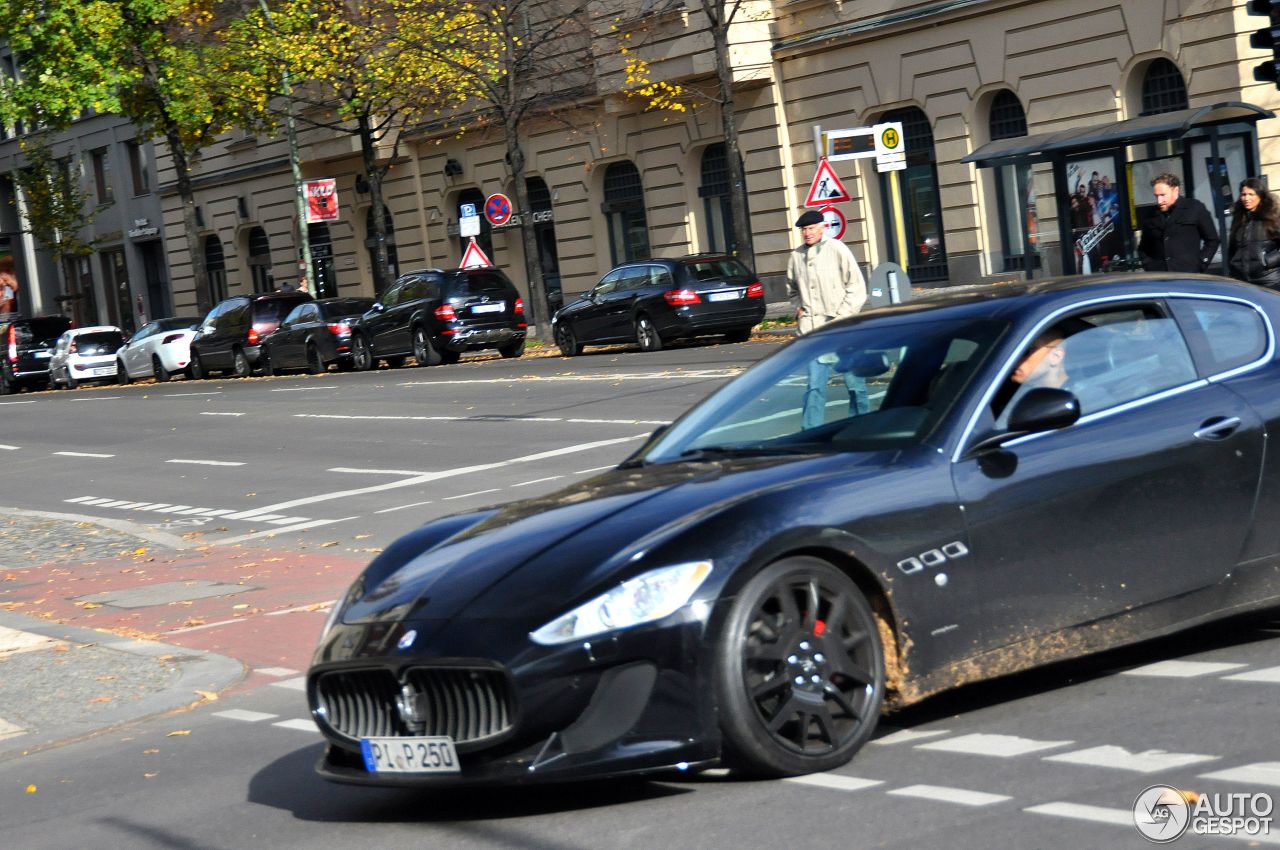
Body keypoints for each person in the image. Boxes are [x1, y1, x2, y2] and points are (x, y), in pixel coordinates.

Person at [786, 209, 869, 429]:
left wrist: (842, 316)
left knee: (855, 385)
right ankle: (809, 434)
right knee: (814, 387)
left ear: (823, 227)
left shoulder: (837, 249)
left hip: (843, 331)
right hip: (812, 332)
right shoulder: (796, 256)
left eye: (811, 228)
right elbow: (792, 290)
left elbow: (857, 287)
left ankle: (862, 428)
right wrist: (798, 309)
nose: (807, 233)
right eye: (804, 229)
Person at [1138, 173, 1219, 273]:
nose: (1159, 201)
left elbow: (1212, 240)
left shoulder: (1194, 208)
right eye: (1156, 196)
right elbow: (1143, 247)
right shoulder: (1151, 215)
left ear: (1175, 191)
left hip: (1188, 274)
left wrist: (1201, 263)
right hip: (1160, 277)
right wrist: (1149, 265)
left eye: (1163, 195)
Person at [1227, 177, 1280, 289]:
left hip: (1268, 281)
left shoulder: (1273, 217)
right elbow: (1232, 249)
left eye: (1251, 194)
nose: (1246, 198)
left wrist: (1267, 261)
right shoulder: (1238, 218)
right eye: (1243, 194)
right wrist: (1232, 267)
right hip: (1242, 281)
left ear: (1260, 196)